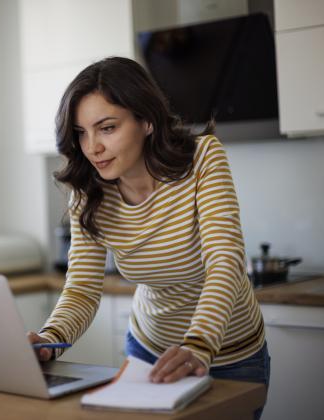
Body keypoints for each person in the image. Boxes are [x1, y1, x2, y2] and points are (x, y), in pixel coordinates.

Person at [27, 57, 270, 419]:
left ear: (146, 121)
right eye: (81, 132)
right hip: (148, 352)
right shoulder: (88, 191)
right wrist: (50, 341)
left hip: (229, 354)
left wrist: (199, 345)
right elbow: (82, 288)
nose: (91, 147)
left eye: (106, 128)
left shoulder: (202, 159)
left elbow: (225, 262)